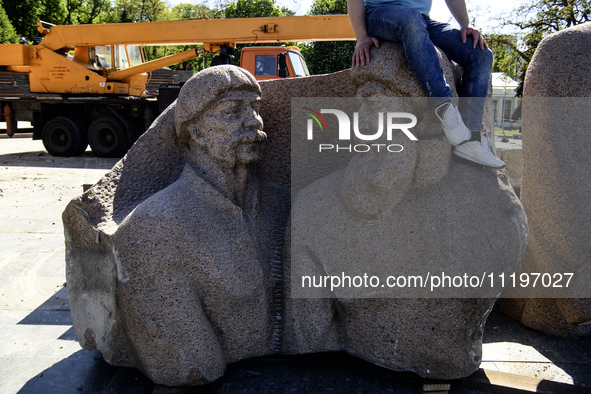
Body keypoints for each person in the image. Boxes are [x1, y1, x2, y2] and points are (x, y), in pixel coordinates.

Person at [111, 65, 289, 386]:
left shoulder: (280, 205)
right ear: (195, 132)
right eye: (232, 111)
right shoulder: (153, 228)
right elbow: (191, 363)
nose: (253, 121)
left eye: (255, 108)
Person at [347, 0, 505, 168]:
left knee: (480, 53)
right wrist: (361, 35)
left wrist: (466, 23)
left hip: (421, 21)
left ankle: (471, 141)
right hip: (380, 16)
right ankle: (446, 110)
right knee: (411, 18)